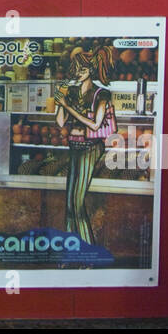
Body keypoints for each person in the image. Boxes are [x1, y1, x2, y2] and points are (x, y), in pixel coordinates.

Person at [53, 43, 117, 244]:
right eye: (76, 69)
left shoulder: (101, 94)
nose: (79, 73)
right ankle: (72, 251)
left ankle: (88, 253)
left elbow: (95, 125)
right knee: (70, 204)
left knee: (78, 203)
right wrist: (60, 103)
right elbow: (60, 122)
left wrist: (68, 107)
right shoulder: (71, 92)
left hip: (91, 147)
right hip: (74, 145)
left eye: (83, 69)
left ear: (91, 70)